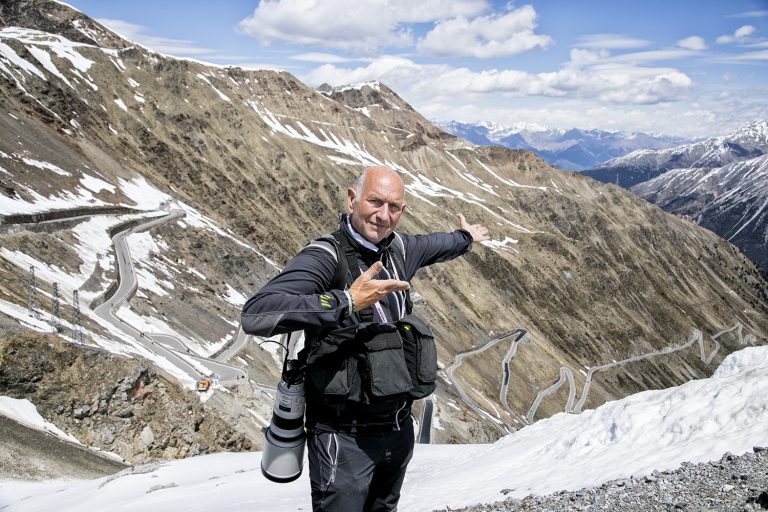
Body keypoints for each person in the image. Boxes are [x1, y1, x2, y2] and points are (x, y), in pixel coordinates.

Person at [242, 165, 489, 511]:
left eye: (394, 207)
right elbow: (256, 313)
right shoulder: (326, 257)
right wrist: (346, 301)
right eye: (375, 201)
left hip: (398, 429)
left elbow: (438, 244)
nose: (383, 215)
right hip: (344, 438)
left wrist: (465, 238)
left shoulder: (400, 249)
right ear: (351, 199)